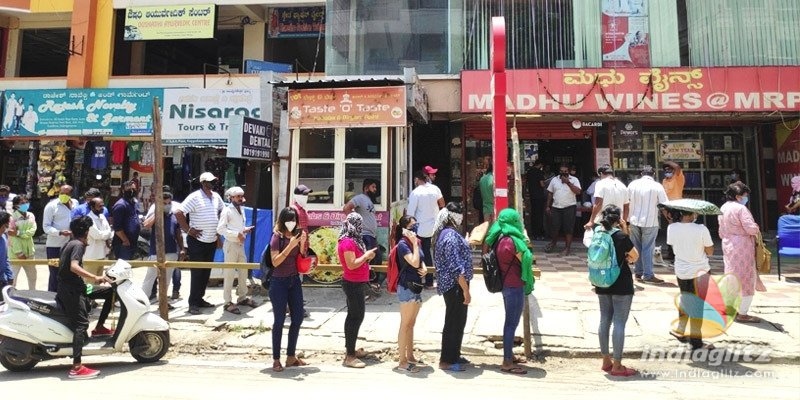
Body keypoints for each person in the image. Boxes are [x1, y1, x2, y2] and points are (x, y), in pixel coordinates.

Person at [56, 216, 116, 379]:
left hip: (78, 287)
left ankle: (100, 327)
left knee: (109, 292)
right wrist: (94, 277)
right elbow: (73, 266)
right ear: (86, 232)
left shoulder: (69, 243)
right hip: (72, 291)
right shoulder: (78, 245)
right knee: (81, 324)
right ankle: (76, 367)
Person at [483, 208, 534, 375]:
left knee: (510, 322)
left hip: (506, 284)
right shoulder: (510, 242)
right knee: (511, 324)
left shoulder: (498, 236)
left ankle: (509, 355)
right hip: (514, 286)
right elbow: (525, 259)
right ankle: (506, 362)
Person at [593, 205, 639, 377]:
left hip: (602, 281)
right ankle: (618, 365)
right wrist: (625, 229)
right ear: (618, 218)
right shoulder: (620, 236)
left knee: (604, 319)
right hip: (621, 283)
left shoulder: (598, 233)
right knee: (619, 323)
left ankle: (606, 360)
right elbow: (635, 256)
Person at [176, 172, 224, 315]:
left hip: (211, 240)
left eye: (214, 180)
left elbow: (222, 211)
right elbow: (179, 212)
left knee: (205, 272)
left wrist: (218, 233)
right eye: (210, 181)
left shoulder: (216, 197)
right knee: (197, 273)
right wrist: (188, 229)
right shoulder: (195, 196)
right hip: (197, 241)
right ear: (203, 183)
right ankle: (193, 303)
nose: (213, 183)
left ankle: (200, 299)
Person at [432, 202, 473, 372]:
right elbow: (456, 267)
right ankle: (446, 360)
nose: (461, 217)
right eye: (459, 214)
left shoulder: (450, 234)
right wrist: (465, 290)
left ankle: (454, 354)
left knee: (459, 321)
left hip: (456, 284)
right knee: (453, 322)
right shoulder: (449, 236)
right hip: (454, 285)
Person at [667, 208, 715, 350]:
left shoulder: (671, 228)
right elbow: (710, 251)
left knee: (685, 298)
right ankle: (696, 341)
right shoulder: (701, 229)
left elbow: (672, 245)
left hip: (681, 270)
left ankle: (681, 330)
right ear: (693, 214)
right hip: (700, 271)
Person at [268, 207, 308, 372]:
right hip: (278, 282)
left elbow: (303, 257)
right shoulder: (277, 238)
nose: (292, 223)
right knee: (279, 320)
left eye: (294, 220)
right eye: (289, 220)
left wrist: (302, 243)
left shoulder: (297, 235)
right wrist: (290, 246)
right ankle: (276, 359)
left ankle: (291, 356)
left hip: (294, 280)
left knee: (297, 318)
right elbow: (275, 262)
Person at [337, 212, 378, 368]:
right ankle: (350, 355)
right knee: (355, 317)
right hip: (352, 283)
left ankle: (351, 348)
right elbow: (351, 264)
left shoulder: (354, 240)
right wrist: (366, 256)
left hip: (358, 282)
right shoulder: (347, 242)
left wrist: (367, 260)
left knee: (356, 316)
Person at [719, 182, 763, 323]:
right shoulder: (741, 209)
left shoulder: (724, 207)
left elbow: (721, 229)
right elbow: (750, 228)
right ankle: (743, 313)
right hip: (742, 245)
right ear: (738, 196)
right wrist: (756, 228)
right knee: (746, 278)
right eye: (744, 196)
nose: (746, 198)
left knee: (731, 276)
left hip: (728, 243)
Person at [391, 215, 427, 373]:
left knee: (411, 323)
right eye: (412, 227)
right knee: (405, 324)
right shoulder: (403, 244)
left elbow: (421, 260)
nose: (415, 229)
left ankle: (410, 355)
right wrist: (413, 243)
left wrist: (425, 268)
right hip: (406, 286)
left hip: (417, 285)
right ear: (405, 229)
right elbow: (413, 261)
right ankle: (402, 361)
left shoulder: (416, 242)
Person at [141, 191, 183, 309]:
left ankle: (163, 302)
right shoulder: (155, 214)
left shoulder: (173, 216)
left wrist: (182, 248)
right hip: (156, 252)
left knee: (166, 280)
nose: (167, 205)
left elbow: (178, 233)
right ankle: (142, 303)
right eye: (164, 203)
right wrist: (158, 212)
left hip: (171, 251)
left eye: (169, 203)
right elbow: (146, 225)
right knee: (150, 279)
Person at [626, 165, 668, 284]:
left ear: (641, 174)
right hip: (650, 221)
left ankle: (638, 272)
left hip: (633, 220)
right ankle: (648, 274)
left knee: (637, 247)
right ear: (653, 174)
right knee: (648, 248)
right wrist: (669, 218)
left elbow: (626, 201)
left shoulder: (633, 184)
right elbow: (664, 204)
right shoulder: (657, 186)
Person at [218, 186, 256, 314]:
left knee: (243, 272)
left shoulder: (241, 209)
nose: (240, 198)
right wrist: (236, 234)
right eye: (238, 196)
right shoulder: (227, 211)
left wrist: (244, 230)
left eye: (241, 196)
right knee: (229, 274)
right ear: (232, 198)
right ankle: (227, 302)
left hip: (240, 244)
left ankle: (242, 297)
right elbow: (220, 229)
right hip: (231, 244)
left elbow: (238, 226)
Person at [407, 169, 445, 289]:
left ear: (417, 180)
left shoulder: (416, 192)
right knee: (434, 253)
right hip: (435, 227)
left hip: (421, 228)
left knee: (421, 254)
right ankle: (434, 279)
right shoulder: (435, 189)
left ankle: (423, 280)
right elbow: (442, 204)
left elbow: (410, 213)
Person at [343, 179, 384, 289]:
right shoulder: (360, 198)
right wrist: (354, 223)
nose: (375, 190)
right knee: (369, 259)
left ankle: (372, 284)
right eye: (373, 187)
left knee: (376, 259)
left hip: (371, 235)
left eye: (375, 187)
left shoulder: (369, 201)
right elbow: (347, 208)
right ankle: (367, 285)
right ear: (366, 188)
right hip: (364, 235)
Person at [43, 185, 78, 292]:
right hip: (54, 247)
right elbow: (46, 227)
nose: (64, 196)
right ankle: (52, 297)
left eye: (67, 194)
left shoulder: (75, 203)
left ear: (71, 194)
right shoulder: (51, 206)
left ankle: (66, 297)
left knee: (69, 272)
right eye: (61, 193)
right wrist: (60, 232)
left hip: (71, 245)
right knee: (55, 273)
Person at [545, 164, 582, 256]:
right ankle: (553, 243)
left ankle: (567, 248)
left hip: (569, 207)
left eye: (565, 171)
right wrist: (548, 206)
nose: (563, 173)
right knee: (554, 227)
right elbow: (550, 193)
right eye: (561, 171)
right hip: (556, 207)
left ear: (569, 171)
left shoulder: (574, 180)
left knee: (568, 228)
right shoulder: (554, 179)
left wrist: (568, 183)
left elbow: (578, 192)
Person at [585, 165, 629, 233]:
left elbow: (598, 203)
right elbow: (626, 206)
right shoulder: (622, 186)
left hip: (603, 222)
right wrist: (624, 222)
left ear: (601, 174)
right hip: (618, 222)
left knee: (602, 242)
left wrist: (591, 221)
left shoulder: (600, 184)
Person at [8, 195, 37, 289]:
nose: (25, 204)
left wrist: (19, 233)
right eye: (22, 203)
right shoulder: (12, 218)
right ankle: (9, 298)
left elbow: (32, 231)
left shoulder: (31, 215)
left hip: (30, 252)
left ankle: (33, 295)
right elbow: (12, 236)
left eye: (26, 202)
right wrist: (19, 253)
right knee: (12, 279)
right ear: (16, 205)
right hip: (16, 254)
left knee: (32, 277)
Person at [85, 198, 114, 283]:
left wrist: (105, 234)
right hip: (91, 256)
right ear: (92, 207)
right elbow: (97, 235)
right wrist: (107, 234)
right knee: (89, 282)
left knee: (99, 282)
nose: (102, 208)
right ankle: (87, 297)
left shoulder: (102, 216)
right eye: (99, 206)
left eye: (103, 206)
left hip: (101, 255)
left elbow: (109, 231)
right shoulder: (88, 219)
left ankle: (94, 297)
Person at [111, 180, 141, 261]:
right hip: (123, 243)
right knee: (122, 268)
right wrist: (125, 240)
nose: (132, 191)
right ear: (123, 190)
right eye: (129, 190)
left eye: (134, 189)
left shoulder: (133, 203)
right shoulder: (120, 205)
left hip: (132, 242)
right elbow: (117, 227)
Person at [525, 160, 547, 240]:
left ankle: (534, 233)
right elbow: (542, 184)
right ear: (540, 164)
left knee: (534, 214)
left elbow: (526, 183)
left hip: (532, 195)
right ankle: (539, 233)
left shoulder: (529, 172)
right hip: (539, 196)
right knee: (539, 215)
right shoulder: (539, 172)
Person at [0, 212, 12, 291]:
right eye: (5, 226)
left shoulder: (4, 237)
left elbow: (5, 258)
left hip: (3, 280)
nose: (5, 229)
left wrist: (10, 276)